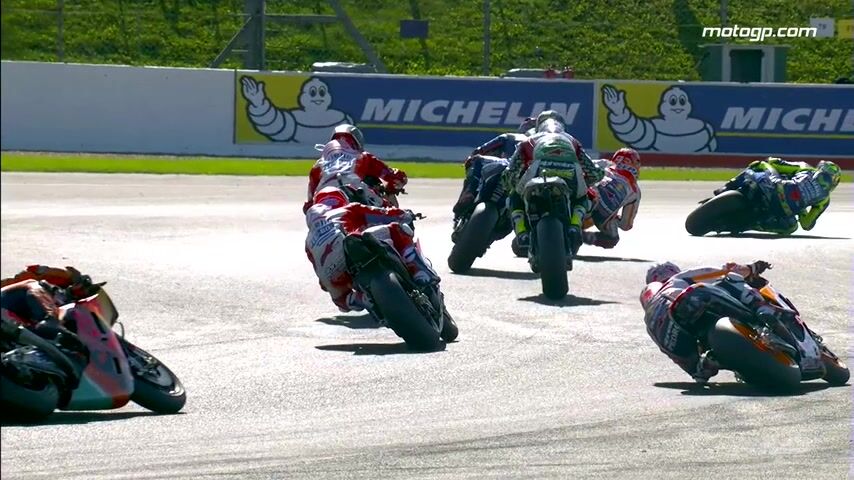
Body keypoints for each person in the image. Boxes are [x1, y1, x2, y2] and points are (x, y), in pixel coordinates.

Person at [639, 259, 793, 384]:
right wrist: (752, 268)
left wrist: (691, 366)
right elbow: (724, 271)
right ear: (672, 271)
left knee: (694, 365)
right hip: (689, 301)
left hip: (669, 336)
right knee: (731, 279)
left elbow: (669, 352)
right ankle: (761, 309)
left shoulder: (650, 322)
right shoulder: (677, 279)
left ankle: (704, 366)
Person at [305, 187, 438, 313]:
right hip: (352, 245)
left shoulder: (308, 241)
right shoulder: (347, 209)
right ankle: (418, 270)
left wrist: (331, 282)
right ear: (341, 200)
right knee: (397, 229)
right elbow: (384, 215)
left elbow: (319, 274)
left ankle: (362, 300)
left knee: (342, 300)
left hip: (331, 272)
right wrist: (406, 215)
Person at [502, 110, 606, 257]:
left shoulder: (529, 140)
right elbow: (593, 172)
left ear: (539, 126)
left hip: (538, 172)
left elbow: (511, 170)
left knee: (515, 196)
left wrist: (510, 184)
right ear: (562, 126)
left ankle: (522, 232)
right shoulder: (572, 141)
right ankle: (575, 225)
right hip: (570, 175)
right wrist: (595, 177)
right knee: (582, 197)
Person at [715, 157, 841, 235]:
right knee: (791, 228)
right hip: (783, 211)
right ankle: (752, 225)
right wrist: (801, 207)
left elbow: (774, 162)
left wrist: (774, 163)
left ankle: (728, 186)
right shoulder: (824, 199)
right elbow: (806, 224)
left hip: (774, 188)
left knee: (759, 164)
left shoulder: (805, 168)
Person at [304, 124, 408, 213]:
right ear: (356, 140)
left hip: (324, 196)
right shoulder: (362, 156)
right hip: (353, 187)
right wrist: (390, 190)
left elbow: (309, 203)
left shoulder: (318, 165)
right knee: (391, 213)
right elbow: (397, 177)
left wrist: (310, 206)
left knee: (315, 215)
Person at [451, 117, 536, 217]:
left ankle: (469, 194)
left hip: (508, 167)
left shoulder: (510, 137)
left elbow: (480, 151)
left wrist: (470, 160)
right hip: (526, 175)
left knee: (477, 159)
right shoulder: (541, 142)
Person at [583, 148, 642, 249]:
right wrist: (615, 216)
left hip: (587, 195)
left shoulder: (605, 163)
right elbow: (626, 225)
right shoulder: (635, 190)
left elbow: (583, 165)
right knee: (612, 239)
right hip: (603, 213)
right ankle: (583, 237)